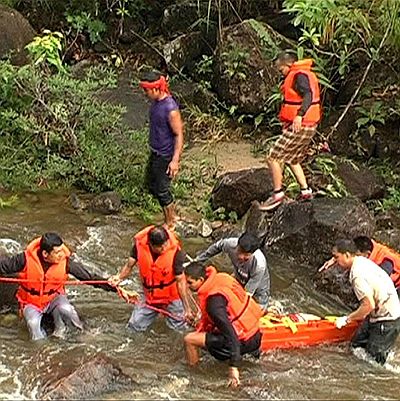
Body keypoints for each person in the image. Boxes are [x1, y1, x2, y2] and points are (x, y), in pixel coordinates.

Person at [0, 233, 117, 341]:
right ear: (45, 254)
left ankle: (81, 333)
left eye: (62, 250)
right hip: (31, 302)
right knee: (33, 323)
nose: (61, 254)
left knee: (68, 310)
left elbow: (88, 277)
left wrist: (113, 287)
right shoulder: (24, 259)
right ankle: (42, 351)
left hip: (54, 299)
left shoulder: (65, 262)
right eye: (57, 252)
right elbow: (4, 266)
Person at [184, 263, 263, 388]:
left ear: (201, 280)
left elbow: (232, 335)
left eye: (190, 283)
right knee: (199, 332)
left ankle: (192, 375)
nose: (187, 287)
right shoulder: (222, 277)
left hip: (243, 341)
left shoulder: (213, 304)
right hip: (256, 334)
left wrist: (234, 366)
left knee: (189, 339)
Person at [259, 51, 321, 211]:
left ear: (288, 65)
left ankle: (278, 194)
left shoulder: (299, 76)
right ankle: (306, 191)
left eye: (281, 70)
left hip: (302, 125)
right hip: (309, 125)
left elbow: (308, 94)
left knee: (273, 156)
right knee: (293, 158)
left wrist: (299, 116)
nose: (281, 73)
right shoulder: (301, 74)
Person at [109, 225, 193, 332]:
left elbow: (181, 281)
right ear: (151, 245)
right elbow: (129, 265)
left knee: (180, 328)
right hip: (149, 295)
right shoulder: (139, 246)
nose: (165, 248)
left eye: (166, 244)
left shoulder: (177, 253)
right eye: (161, 247)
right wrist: (119, 277)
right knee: (134, 325)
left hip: (172, 297)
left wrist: (187, 309)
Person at [332, 239, 400, 365]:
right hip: (380, 311)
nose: (335, 261)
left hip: (387, 318)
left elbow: (368, 306)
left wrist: (347, 319)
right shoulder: (361, 260)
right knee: (355, 347)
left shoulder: (357, 275)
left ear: (347, 255)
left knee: (372, 362)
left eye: (336, 257)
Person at [139, 71, 184, 229]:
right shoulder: (156, 103)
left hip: (165, 155)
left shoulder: (170, 109)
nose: (145, 94)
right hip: (155, 151)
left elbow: (178, 135)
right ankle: (172, 213)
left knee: (162, 189)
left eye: (147, 90)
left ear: (156, 89)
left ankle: (170, 222)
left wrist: (175, 161)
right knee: (151, 185)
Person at [195, 232, 270, 310]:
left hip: (258, 291)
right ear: (237, 245)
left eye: (246, 257)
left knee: (252, 311)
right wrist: (197, 261)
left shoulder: (259, 264)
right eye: (239, 251)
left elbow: (247, 294)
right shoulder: (230, 244)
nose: (241, 257)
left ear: (252, 253)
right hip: (239, 277)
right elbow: (216, 248)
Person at [319, 236, 400, 296]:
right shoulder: (368, 245)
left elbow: (380, 285)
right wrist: (335, 259)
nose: (353, 257)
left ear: (367, 254)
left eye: (357, 255)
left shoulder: (386, 263)